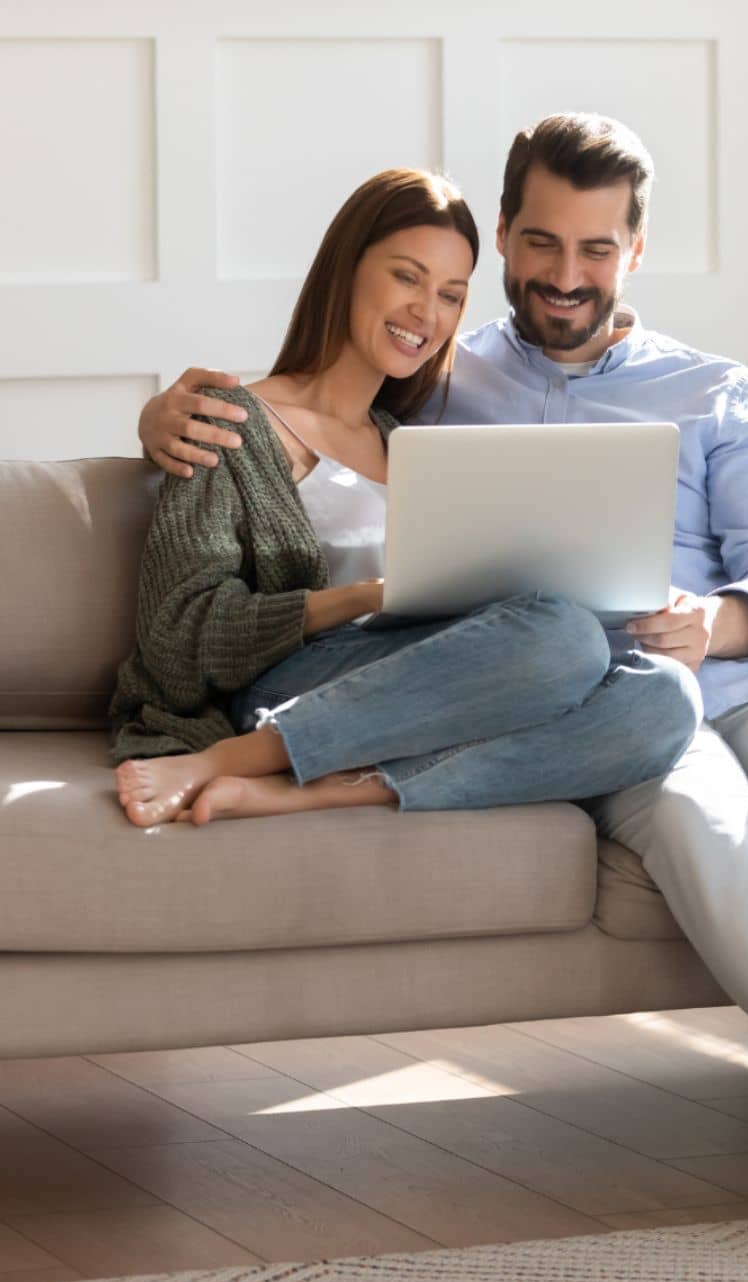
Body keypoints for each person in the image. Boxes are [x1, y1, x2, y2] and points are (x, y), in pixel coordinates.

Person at [136, 117, 748, 1245]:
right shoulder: (445, 375)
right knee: (678, 793)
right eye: (541, 245)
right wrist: (160, 419)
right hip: (597, 695)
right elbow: (293, 437)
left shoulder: (711, 389)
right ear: (506, 239)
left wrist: (717, 620)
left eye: (595, 251)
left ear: (634, 252)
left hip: (731, 672)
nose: (565, 276)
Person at [111, 166, 701, 837]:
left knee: (665, 698)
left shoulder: (413, 442)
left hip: (423, 689)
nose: (428, 313)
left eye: (451, 295)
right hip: (293, 688)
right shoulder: (226, 422)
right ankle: (240, 757)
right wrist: (366, 596)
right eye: (406, 277)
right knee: (562, 636)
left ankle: (324, 791)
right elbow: (176, 640)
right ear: (348, 267)